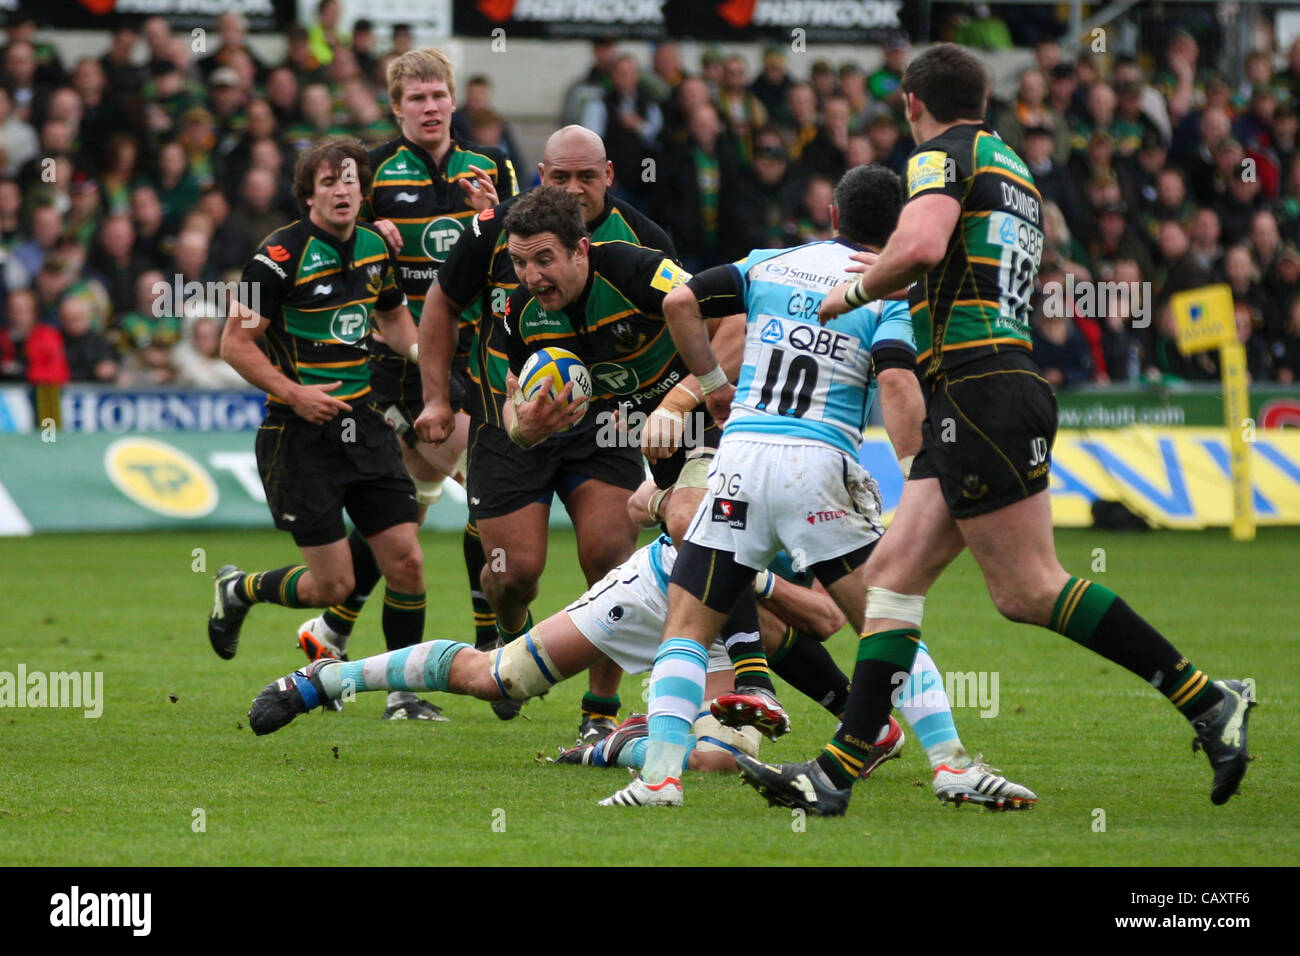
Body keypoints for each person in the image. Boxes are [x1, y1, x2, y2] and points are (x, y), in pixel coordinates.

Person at [739, 43, 1256, 815]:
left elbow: (918, 247)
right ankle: (836, 771)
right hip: (983, 389)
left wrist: (848, 296)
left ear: (913, 101)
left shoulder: (940, 156)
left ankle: (1208, 699)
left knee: (1028, 587)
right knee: (890, 580)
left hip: (981, 389)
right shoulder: (1012, 165)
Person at [595, 162, 953, 809]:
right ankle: (951, 762)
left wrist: (707, 386)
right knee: (884, 619)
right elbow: (899, 384)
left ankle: (660, 781)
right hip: (818, 467)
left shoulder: (769, 261)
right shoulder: (889, 290)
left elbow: (679, 301)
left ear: (834, 217)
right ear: (897, 229)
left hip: (742, 460)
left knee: (686, 624)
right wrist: (918, 470)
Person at [413, 127, 687, 741]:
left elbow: (687, 323)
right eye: (560, 177)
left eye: (586, 177)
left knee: (612, 563)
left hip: (607, 425)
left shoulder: (645, 243)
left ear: (609, 175)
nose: (574, 188)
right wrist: (437, 397)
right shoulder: (497, 232)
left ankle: (599, 713)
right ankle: (511, 631)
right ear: (540, 175)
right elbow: (441, 305)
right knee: (513, 573)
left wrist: (677, 404)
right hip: (509, 421)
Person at [293, 49, 518, 718]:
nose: (428, 107)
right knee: (460, 500)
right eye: (415, 98)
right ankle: (480, 656)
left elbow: (512, 246)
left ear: (454, 100)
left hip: (476, 354)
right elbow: (330, 232)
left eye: (437, 95)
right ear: (396, 108)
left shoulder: (492, 165)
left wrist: (493, 219)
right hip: (399, 359)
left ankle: (331, 631)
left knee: (411, 515)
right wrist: (368, 229)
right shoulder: (371, 170)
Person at [207, 137, 431, 723]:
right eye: (329, 182)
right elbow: (234, 343)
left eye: (351, 180)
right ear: (309, 193)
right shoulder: (276, 257)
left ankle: (402, 695)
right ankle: (240, 590)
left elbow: (393, 318)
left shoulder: (376, 248)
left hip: (367, 425)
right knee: (334, 586)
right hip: (297, 436)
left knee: (405, 560)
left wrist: (428, 361)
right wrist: (295, 393)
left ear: (363, 189)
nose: (342, 190)